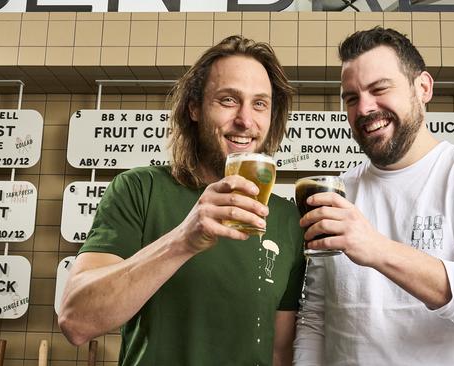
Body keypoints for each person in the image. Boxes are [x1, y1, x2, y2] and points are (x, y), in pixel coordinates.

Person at [58, 36, 306, 366]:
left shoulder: (288, 218)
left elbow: (279, 351)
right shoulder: (139, 190)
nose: (246, 120)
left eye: (260, 104)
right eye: (229, 100)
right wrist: (184, 240)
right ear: (194, 108)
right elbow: (77, 321)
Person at [293, 27, 454, 365]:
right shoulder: (340, 193)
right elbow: (316, 317)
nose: (364, 108)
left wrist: (377, 249)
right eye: (351, 98)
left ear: (423, 88)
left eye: (379, 89)